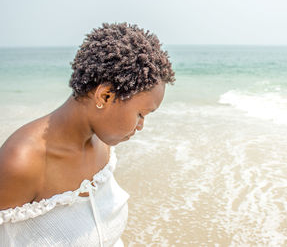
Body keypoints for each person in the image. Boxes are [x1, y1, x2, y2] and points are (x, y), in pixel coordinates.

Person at [0, 23, 175, 246]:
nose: (141, 125)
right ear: (105, 96)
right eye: (141, 114)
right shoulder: (22, 161)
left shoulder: (102, 145)